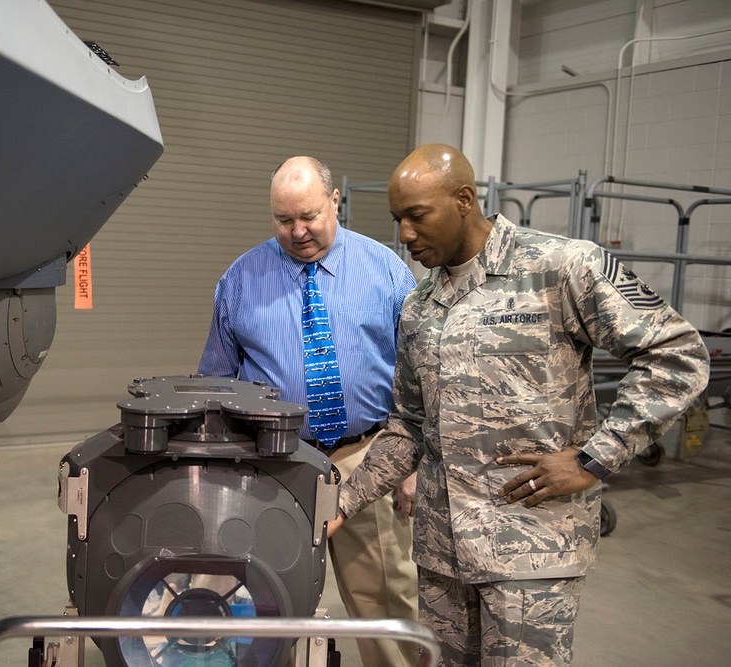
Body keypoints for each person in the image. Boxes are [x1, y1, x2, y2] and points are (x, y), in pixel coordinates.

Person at [327, 143, 711, 666]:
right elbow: (409, 426)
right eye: (398, 220)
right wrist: (342, 504)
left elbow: (677, 354)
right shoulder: (420, 306)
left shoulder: (562, 268)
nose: (406, 235)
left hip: (530, 550)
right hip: (443, 554)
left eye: (417, 217)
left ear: (464, 199)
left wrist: (594, 458)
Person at [199, 155, 420, 667]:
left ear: (335, 201)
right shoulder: (240, 280)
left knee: (387, 603)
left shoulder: (386, 270)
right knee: (263, 598)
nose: (298, 231)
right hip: (273, 462)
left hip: (368, 458)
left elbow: (418, 376)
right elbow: (214, 381)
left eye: (310, 216)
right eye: (284, 220)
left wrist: (413, 463)